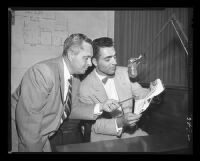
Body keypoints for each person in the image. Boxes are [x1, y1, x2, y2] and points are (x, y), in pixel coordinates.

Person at [11, 34, 121, 152]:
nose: (90, 63)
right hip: (21, 134)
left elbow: (71, 109)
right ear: (70, 55)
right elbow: (28, 126)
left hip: (42, 133)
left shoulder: (75, 77)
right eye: (86, 58)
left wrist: (101, 106)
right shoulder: (42, 73)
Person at [79, 37, 151, 142]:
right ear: (95, 61)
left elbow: (142, 94)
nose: (115, 62)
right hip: (102, 137)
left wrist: (154, 91)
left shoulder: (125, 73)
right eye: (108, 59)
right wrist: (121, 122)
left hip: (130, 132)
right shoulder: (85, 87)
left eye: (115, 56)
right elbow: (94, 126)